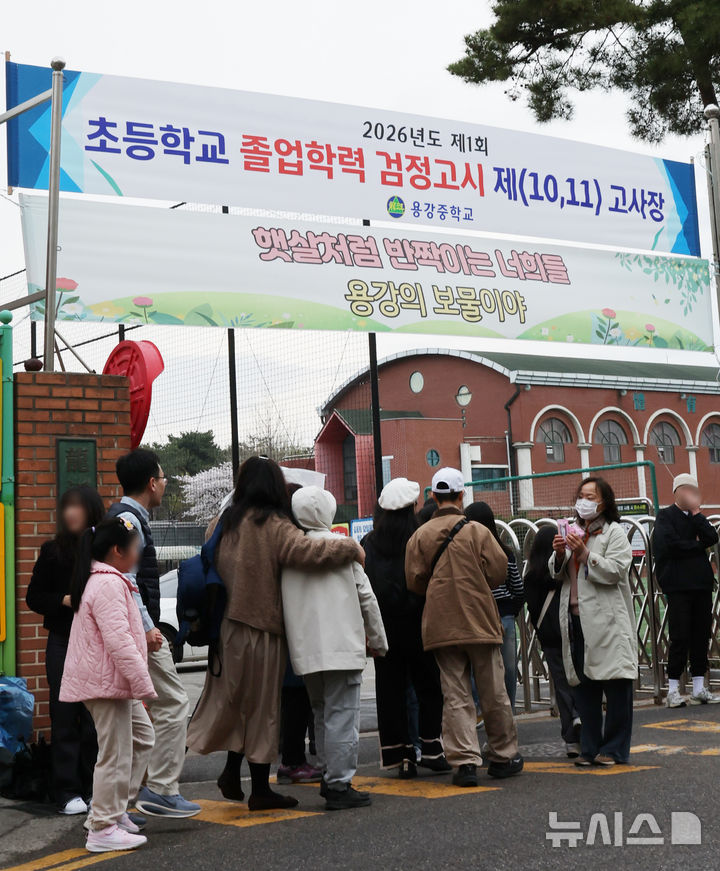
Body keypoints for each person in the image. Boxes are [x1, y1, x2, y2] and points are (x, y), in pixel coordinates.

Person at [186, 456, 364, 811]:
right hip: (261, 630)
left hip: (226, 630)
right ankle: (260, 790)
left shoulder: (224, 521)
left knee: (235, 703)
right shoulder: (272, 523)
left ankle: (232, 770)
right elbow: (307, 551)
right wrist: (351, 547)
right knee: (264, 708)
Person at [405, 467, 523, 786]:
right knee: (493, 690)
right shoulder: (477, 532)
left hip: (442, 623)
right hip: (480, 619)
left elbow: (414, 581)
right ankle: (503, 755)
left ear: (433, 496)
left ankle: (465, 762)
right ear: (461, 496)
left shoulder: (419, 536)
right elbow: (499, 570)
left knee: (455, 693)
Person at [106, 449, 200, 819]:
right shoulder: (130, 519)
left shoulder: (123, 516)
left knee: (135, 725)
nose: (164, 485)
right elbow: (127, 580)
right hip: (136, 633)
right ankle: (160, 789)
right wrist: (148, 628)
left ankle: (117, 807)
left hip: (126, 631)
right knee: (173, 702)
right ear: (150, 483)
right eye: (163, 479)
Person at [283, 486, 388, 810]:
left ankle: (330, 772)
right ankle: (339, 782)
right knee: (342, 715)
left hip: (306, 650)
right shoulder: (345, 551)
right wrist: (379, 640)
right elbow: (366, 598)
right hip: (342, 646)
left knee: (322, 711)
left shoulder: (290, 555)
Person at [60, 517, 156, 853]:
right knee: (113, 755)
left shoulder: (108, 580)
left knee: (132, 744)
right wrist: (144, 685)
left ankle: (111, 815)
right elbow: (120, 642)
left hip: (109, 682)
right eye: (135, 549)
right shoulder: (108, 585)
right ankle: (102, 826)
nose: (138, 555)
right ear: (118, 551)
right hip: (106, 684)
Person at [26, 486, 105, 815]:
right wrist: (63, 600)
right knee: (64, 714)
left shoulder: (102, 549)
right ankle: (67, 791)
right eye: (66, 507)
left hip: (96, 642)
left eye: (78, 507)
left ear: (91, 511)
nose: (71, 513)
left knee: (94, 717)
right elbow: (33, 597)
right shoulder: (52, 551)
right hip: (62, 639)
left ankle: (93, 788)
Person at [363, 477, 447, 779]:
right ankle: (432, 749)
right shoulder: (419, 537)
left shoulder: (369, 543)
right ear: (412, 507)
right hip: (419, 623)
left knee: (390, 692)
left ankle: (400, 756)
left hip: (384, 628)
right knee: (429, 687)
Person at [550, 477, 636, 767]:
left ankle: (614, 749)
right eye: (581, 495)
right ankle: (589, 748)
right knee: (583, 688)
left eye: (591, 496)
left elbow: (616, 571)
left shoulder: (614, 533)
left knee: (615, 685)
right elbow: (556, 573)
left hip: (607, 621)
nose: (584, 501)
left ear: (604, 502)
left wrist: (586, 554)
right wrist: (561, 553)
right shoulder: (574, 530)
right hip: (576, 620)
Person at [653, 473, 720, 707]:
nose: (690, 493)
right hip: (678, 585)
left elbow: (712, 536)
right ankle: (672, 688)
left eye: (693, 489)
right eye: (685, 489)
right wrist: (697, 545)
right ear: (676, 492)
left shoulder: (696, 518)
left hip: (701, 583)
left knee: (701, 634)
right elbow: (671, 545)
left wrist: (697, 514)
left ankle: (699, 686)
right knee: (680, 635)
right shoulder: (665, 516)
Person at [524, 526, 581, 757]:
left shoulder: (530, 578)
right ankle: (581, 718)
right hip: (571, 633)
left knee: (561, 685)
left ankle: (570, 739)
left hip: (549, 639)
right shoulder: (563, 576)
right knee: (579, 678)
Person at [465, 502, 524, 711]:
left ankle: (482, 709)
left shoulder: (465, 555)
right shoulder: (504, 552)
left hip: (477, 616)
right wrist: (510, 609)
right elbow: (517, 588)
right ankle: (508, 708)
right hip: (504, 615)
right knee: (508, 666)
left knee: (476, 667)